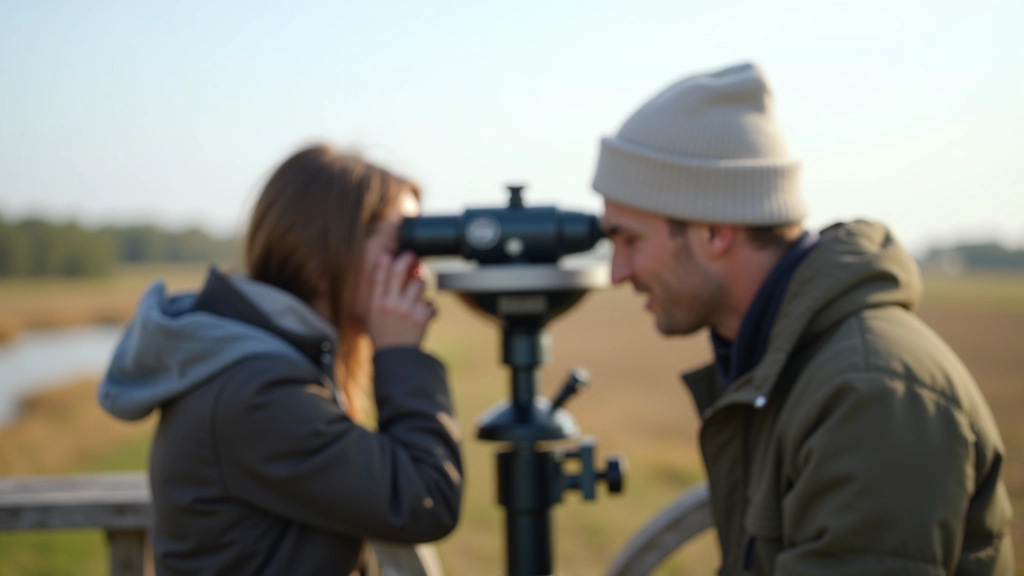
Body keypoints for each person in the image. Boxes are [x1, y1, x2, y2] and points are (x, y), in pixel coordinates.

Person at [593, 63, 1014, 574]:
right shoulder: (781, 368)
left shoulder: (868, 393)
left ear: (714, 231)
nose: (616, 273)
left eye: (630, 240)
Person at [98, 144, 462, 575]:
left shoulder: (260, 359)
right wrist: (400, 355)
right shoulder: (257, 392)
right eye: (402, 247)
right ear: (323, 260)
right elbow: (424, 498)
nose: (417, 272)